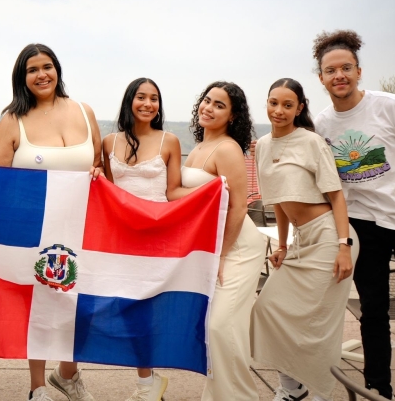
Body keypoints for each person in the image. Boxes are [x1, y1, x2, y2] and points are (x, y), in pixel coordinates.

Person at [312, 30, 395, 399]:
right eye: (330, 70)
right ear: (320, 77)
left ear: (358, 70)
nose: (339, 75)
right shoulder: (323, 124)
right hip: (363, 227)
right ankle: (378, 390)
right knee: (372, 313)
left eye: (346, 68)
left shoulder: (393, 106)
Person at [0, 43, 102, 401]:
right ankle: (38, 386)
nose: (42, 74)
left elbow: (99, 165)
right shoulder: (13, 120)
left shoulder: (84, 111)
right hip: (33, 230)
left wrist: (98, 171)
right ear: (22, 78)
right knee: (37, 307)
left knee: (84, 304)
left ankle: (67, 374)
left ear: (57, 70)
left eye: (47, 66)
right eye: (32, 69)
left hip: (82, 226)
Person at [250, 78, 359, 401]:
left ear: (299, 108)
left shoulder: (311, 142)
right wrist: (282, 245)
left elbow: (337, 197)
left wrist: (344, 247)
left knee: (317, 325)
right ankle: (294, 388)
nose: (279, 111)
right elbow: (279, 202)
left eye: (287, 105)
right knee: (268, 309)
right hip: (301, 241)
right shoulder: (264, 146)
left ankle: (316, 392)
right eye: (273, 103)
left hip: (329, 237)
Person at [173, 81, 263, 401]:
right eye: (207, 100)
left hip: (238, 248)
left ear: (232, 116)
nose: (208, 108)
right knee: (213, 331)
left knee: (222, 328)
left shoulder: (227, 148)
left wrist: (222, 255)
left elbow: (240, 205)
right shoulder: (197, 148)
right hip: (214, 247)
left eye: (219, 105)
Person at [101, 78, 182, 401]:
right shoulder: (108, 142)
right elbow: (106, 191)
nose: (148, 104)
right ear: (129, 101)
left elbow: (173, 191)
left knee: (147, 311)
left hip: (157, 237)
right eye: (141, 97)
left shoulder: (170, 141)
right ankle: (149, 381)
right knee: (125, 310)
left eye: (154, 99)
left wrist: (214, 190)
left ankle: (146, 385)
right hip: (122, 238)